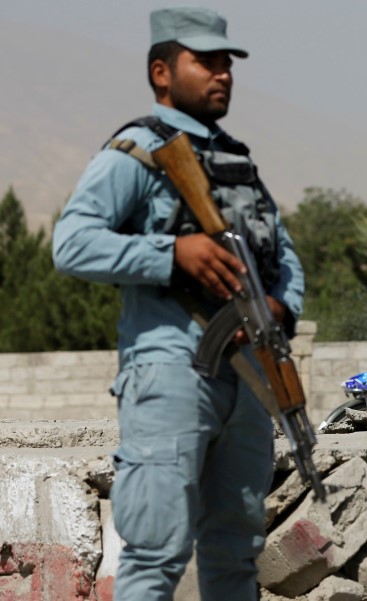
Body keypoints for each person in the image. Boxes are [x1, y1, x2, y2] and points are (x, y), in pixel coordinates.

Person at [52, 7, 304, 600]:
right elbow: (73, 242)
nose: (223, 74)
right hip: (169, 374)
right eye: (206, 61)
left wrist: (279, 309)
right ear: (161, 71)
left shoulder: (238, 160)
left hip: (246, 375)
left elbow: (285, 254)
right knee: (156, 553)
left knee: (239, 552)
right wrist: (172, 254)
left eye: (227, 63)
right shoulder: (137, 150)